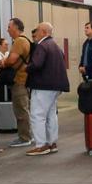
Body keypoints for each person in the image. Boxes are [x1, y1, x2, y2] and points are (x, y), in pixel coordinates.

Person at [25, 22, 69, 156]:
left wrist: (27, 68)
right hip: (55, 86)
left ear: (44, 32)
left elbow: (37, 64)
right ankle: (52, 143)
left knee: (37, 115)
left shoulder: (42, 45)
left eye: (37, 30)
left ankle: (41, 145)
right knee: (51, 115)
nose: (35, 33)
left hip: (43, 85)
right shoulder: (55, 46)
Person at [0, 18, 33, 148]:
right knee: (24, 109)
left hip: (19, 80)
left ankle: (25, 137)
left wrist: (3, 62)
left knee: (21, 109)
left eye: (9, 27)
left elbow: (11, 60)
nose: (7, 29)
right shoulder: (24, 40)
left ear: (16, 28)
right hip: (23, 79)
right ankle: (27, 135)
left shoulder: (19, 41)